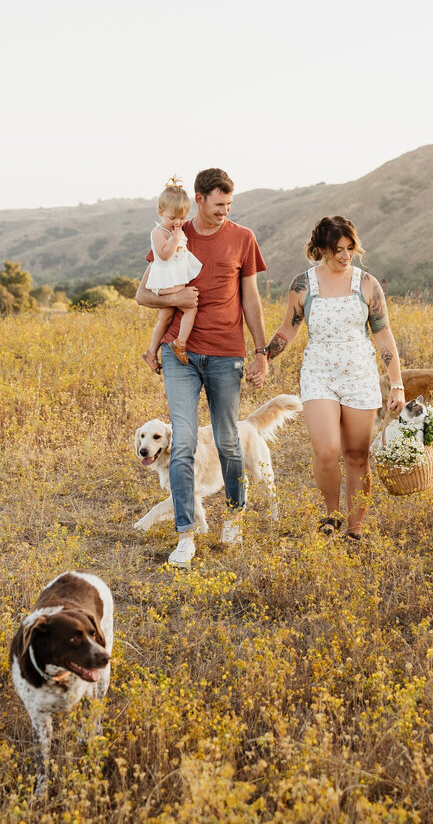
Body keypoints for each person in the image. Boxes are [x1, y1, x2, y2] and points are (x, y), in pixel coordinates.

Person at [135, 168, 269, 568]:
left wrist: (260, 352)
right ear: (198, 199)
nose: (225, 212)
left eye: (230, 205)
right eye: (218, 205)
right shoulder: (173, 234)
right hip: (181, 356)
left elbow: (251, 300)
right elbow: (143, 293)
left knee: (229, 441)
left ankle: (235, 517)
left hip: (227, 355)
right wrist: (178, 296)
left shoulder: (243, 238)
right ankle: (186, 535)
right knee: (183, 444)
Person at [263, 215, 405, 540]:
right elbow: (289, 327)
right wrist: (263, 357)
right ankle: (332, 515)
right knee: (326, 451)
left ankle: (354, 530)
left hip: (360, 374)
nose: (345, 255)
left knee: (357, 455)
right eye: (337, 249)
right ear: (320, 249)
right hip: (319, 373)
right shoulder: (302, 285)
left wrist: (396, 383)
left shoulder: (368, 285)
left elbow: (383, 335)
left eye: (350, 248)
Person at [141, 177, 203, 373]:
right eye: (172, 218)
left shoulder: (177, 230)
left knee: (166, 317)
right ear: (160, 212)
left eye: (182, 218)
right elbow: (165, 254)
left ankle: (151, 352)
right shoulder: (159, 233)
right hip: (165, 280)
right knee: (190, 306)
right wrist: (175, 237)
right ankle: (180, 343)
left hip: (173, 278)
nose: (178, 222)